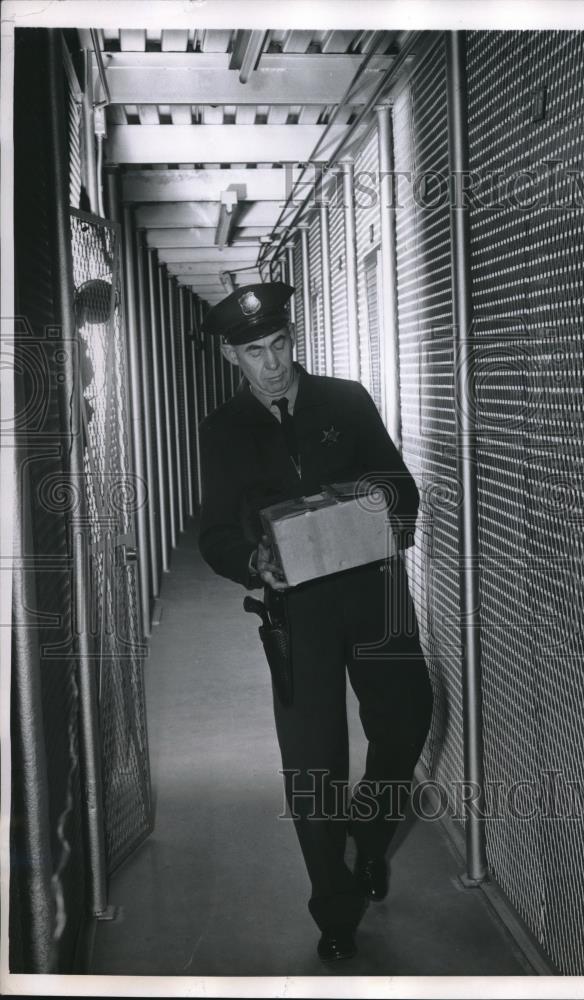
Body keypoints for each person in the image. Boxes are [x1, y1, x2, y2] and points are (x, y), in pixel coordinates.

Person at [197, 282, 433, 962]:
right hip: (295, 611)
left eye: (278, 346)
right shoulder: (223, 431)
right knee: (313, 761)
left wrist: (363, 504)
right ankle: (336, 906)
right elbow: (215, 535)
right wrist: (254, 562)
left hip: (374, 593)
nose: (271, 365)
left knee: (406, 718)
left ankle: (369, 832)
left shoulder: (345, 399)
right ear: (230, 357)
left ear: (292, 340)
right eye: (253, 353)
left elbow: (402, 490)